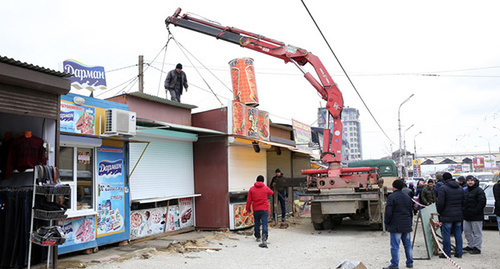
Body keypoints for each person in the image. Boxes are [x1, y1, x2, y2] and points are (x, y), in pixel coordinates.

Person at [383, 179, 414, 269]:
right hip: (406, 224)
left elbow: (388, 212)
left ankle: (394, 264)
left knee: (395, 246)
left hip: (395, 224)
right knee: (408, 245)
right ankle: (410, 262)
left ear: (393, 187)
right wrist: (410, 222)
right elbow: (410, 211)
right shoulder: (407, 197)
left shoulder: (391, 197)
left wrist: (386, 222)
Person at [437, 172, 464, 258]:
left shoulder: (443, 188)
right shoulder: (460, 188)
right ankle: (459, 253)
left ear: (444, 179)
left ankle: (447, 253)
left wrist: (440, 212)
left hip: (447, 214)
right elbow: (464, 201)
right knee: (458, 234)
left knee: (446, 234)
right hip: (459, 214)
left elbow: (441, 202)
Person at [246, 175, 273, 248]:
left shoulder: (252, 189)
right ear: (263, 181)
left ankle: (258, 236)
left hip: (256, 209)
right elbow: (271, 193)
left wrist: (248, 209)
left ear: (256, 180)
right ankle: (264, 237)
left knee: (257, 223)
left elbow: (248, 200)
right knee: (264, 223)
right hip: (264, 209)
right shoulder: (265, 188)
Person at [462, 175, 486, 254]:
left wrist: (476, 211)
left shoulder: (479, 191)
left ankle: (477, 247)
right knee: (467, 232)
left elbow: (482, 203)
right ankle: (470, 245)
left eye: (471, 180)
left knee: (477, 233)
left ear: (474, 181)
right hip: (466, 216)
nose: (470, 182)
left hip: (476, 216)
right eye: (468, 180)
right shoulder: (465, 191)